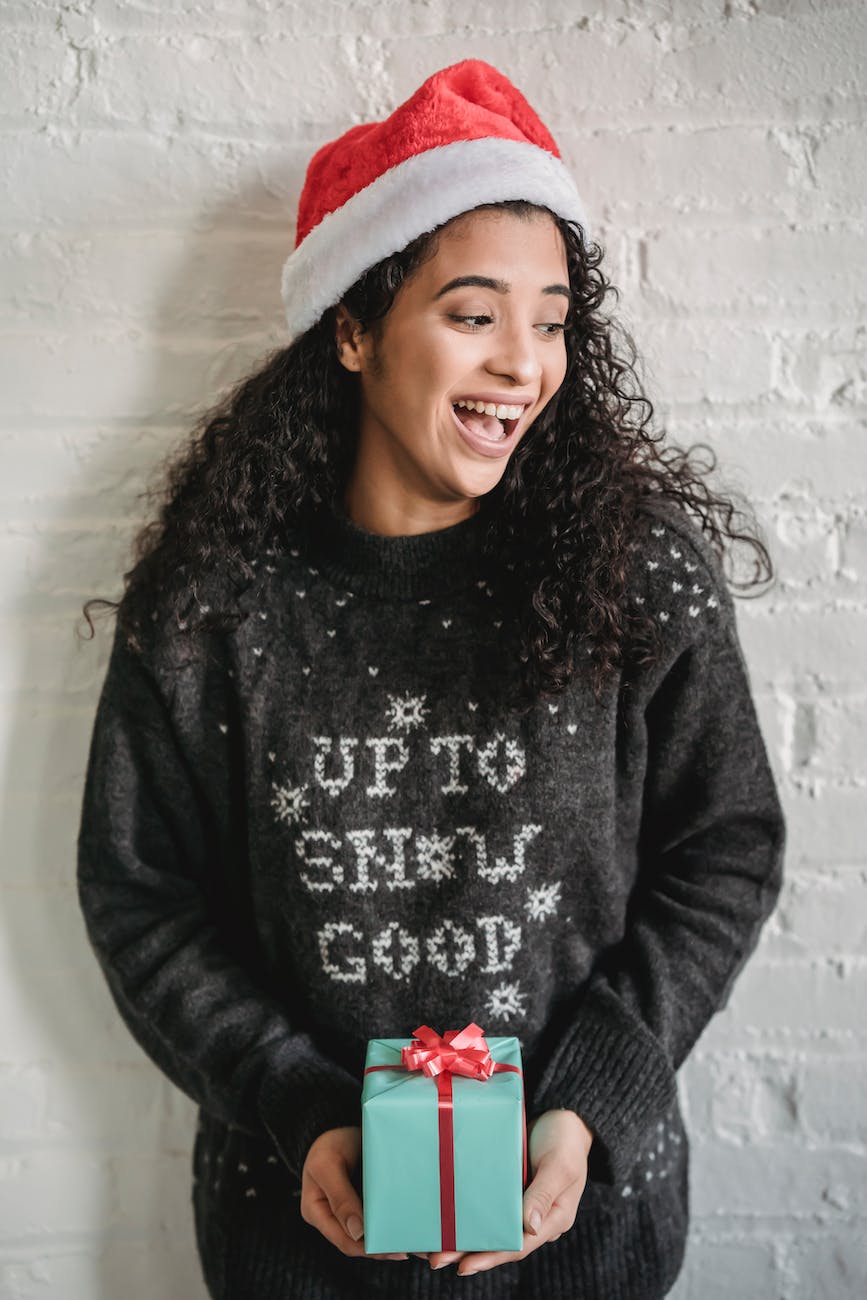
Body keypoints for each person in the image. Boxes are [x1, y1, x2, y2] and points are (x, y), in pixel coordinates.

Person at [76, 59, 786, 1300]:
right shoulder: (214, 603)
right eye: (473, 314)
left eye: (553, 318)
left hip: (588, 1234)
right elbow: (140, 891)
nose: (526, 363)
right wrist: (292, 1097)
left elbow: (723, 845)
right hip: (298, 1249)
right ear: (353, 330)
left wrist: (594, 1097)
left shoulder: (636, 577)